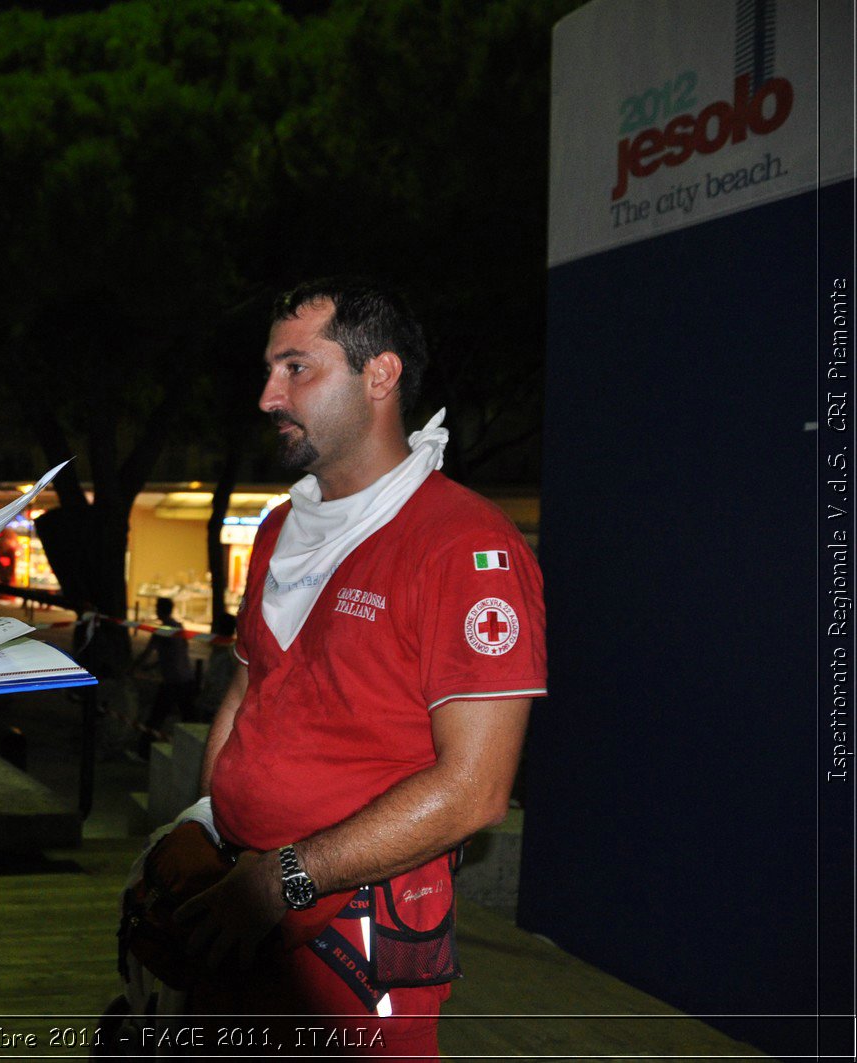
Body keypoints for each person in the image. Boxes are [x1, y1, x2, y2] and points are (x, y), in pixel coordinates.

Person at [176, 279, 547, 1056]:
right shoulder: (281, 525)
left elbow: (476, 792)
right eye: (269, 370)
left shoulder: (465, 547)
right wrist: (205, 827)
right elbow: (251, 687)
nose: (268, 395)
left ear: (380, 377)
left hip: (356, 941)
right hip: (239, 912)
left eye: (296, 368)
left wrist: (283, 877)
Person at [134, 596, 199, 759]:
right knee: (189, 719)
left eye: (157, 608)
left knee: (156, 717)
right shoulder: (179, 628)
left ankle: (143, 752)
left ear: (161, 610)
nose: (156, 610)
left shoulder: (161, 632)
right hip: (187, 678)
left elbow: (147, 653)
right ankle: (196, 752)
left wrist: (132, 668)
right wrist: (154, 666)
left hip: (172, 681)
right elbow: (176, 653)